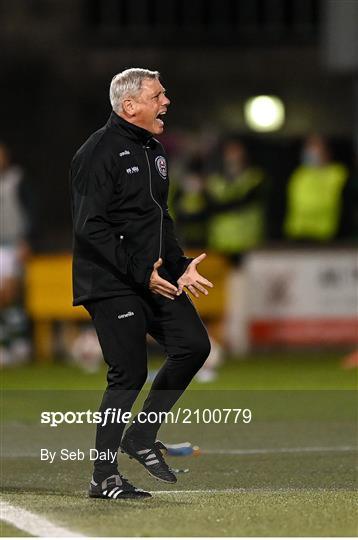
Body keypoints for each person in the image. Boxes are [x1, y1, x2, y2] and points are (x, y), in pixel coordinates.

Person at [70, 68, 213, 500]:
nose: (166, 101)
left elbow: (159, 218)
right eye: (158, 95)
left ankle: (141, 435)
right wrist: (139, 272)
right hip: (111, 279)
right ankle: (103, 477)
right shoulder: (97, 152)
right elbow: (89, 228)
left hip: (151, 276)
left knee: (193, 345)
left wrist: (180, 263)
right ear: (130, 105)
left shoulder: (154, 150)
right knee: (128, 374)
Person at [0, 143, 36, 365]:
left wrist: (27, 240)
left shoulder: (18, 179)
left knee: (12, 294)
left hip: (14, 244)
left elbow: (31, 210)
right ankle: (6, 344)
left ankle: (20, 344)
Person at [284, 134, 349, 242]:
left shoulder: (339, 173)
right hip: (299, 233)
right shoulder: (299, 174)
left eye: (314, 147)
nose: (310, 152)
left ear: (327, 151)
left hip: (327, 234)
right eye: (307, 147)